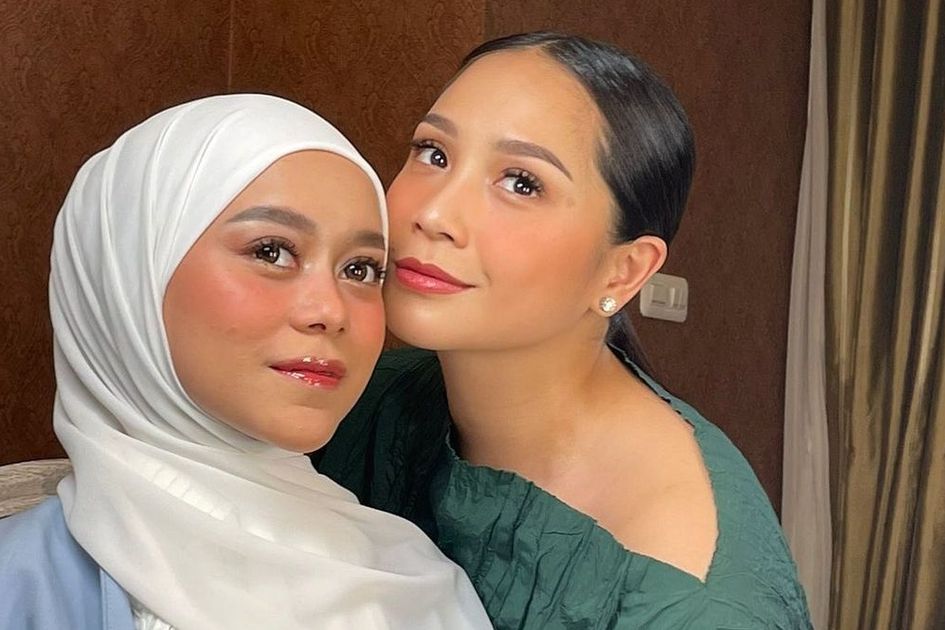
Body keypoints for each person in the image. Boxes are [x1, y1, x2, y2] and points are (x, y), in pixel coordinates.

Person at [313, 32, 813, 628]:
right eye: (433, 153)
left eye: (521, 183)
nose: (433, 213)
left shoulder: (692, 597)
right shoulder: (359, 401)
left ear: (624, 271)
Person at [0, 94, 491, 629]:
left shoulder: (414, 585)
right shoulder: (22, 591)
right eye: (271, 252)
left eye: (360, 269)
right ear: (130, 278)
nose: (330, 312)